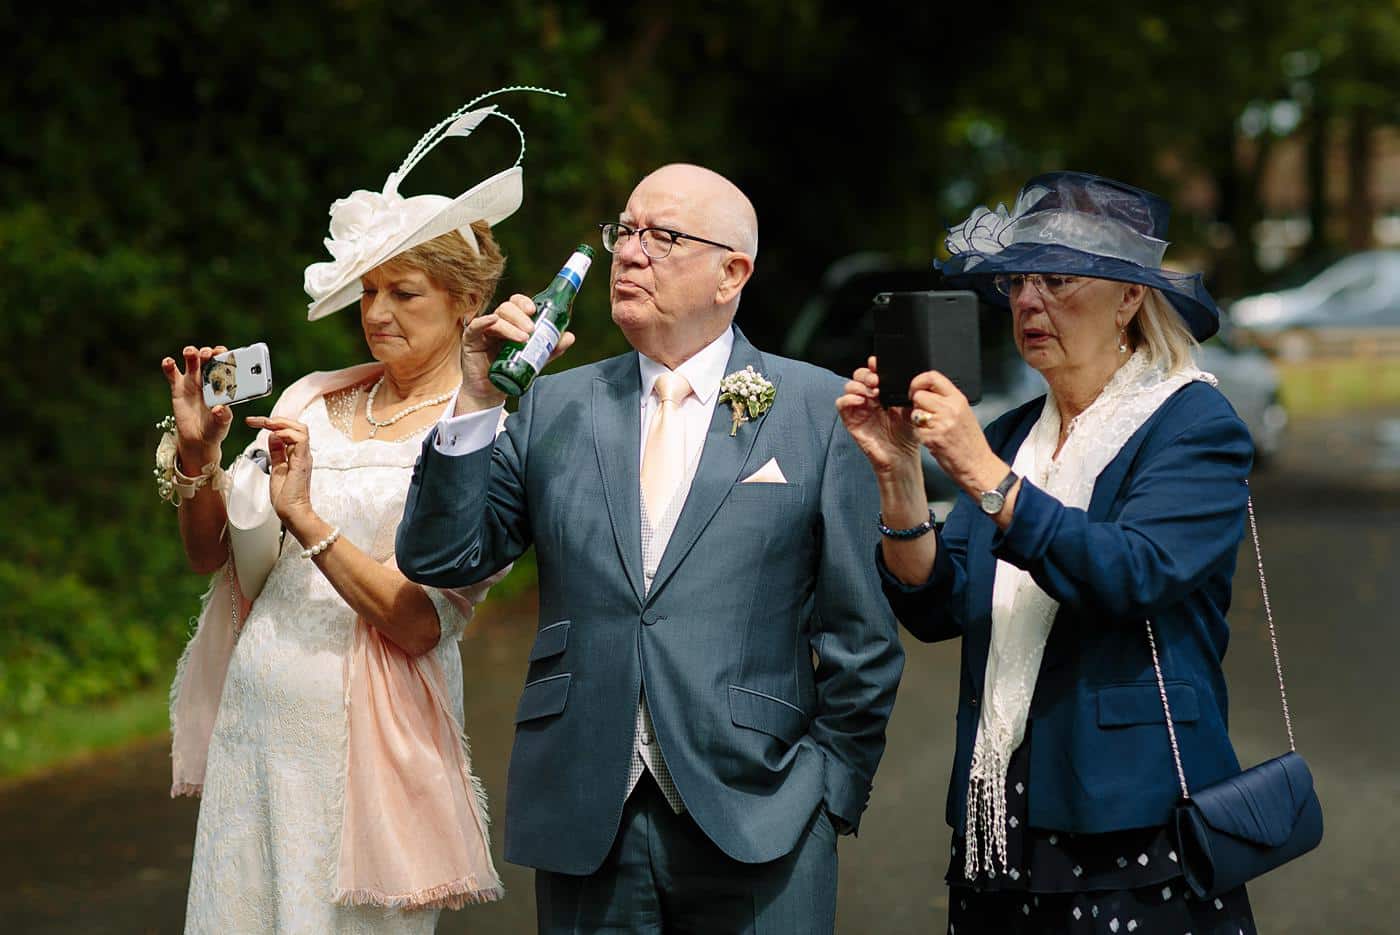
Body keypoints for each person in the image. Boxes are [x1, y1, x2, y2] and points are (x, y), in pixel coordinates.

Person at [395, 163, 905, 933]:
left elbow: (860, 633)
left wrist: (831, 793)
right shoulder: (554, 405)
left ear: (732, 272)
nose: (629, 253)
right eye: (623, 232)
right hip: (584, 811)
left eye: (662, 236)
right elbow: (442, 556)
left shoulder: (818, 410)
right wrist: (475, 401)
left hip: (765, 815)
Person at [159, 89, 558, 933]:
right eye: (368, 291)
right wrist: (199, 457)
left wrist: (309, 518)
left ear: (461, 301)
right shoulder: (308, 395)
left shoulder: (483, 431)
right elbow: (215, 559)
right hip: (257, 732)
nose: (376, 315)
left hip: (362, 759)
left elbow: (420, 624)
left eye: (404, 293)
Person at [837, 172, 1258, 934]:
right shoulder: (1012, 434)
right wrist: (899, 471)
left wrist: (987, 480)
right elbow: (938, 605)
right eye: (1016, 282)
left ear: (1129, 298)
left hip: (1135, 823)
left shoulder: (1193, 422)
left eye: (1058, 279)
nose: (1028, 302)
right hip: (999, 825)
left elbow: (1133, 570)